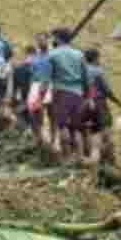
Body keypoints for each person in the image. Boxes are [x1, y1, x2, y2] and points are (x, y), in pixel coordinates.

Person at [46, 29, 92, 160]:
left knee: (63, 125)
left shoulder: (52, 54)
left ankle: (66, 157)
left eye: (53, 38)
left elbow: (47, 77)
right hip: (78, 94)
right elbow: (86, 77)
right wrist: (88, 96)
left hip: (61, 92)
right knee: (76, 127)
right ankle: (80, 156)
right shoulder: (79, 54)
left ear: (58, 38)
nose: (52, 40)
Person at [80, 47, 121, 164]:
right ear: (95, 58)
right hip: (98, 103)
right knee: (105, 130)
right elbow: (106, 90)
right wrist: (118, 102)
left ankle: (90, 156)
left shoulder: (81, 70)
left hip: (84, 104)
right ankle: (109, 159)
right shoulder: (98, 70)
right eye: (99, 57)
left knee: (90, 130)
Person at [27, 37, 54, 145]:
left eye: (44, 39)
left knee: (52, 114)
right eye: (39, 40)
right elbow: (31, 72)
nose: (41, 41)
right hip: (36, 85)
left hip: (49, 84)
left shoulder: (53, 55)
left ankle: (52, 139)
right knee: (35, 113)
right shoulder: (34, 58)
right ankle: (39, 137)